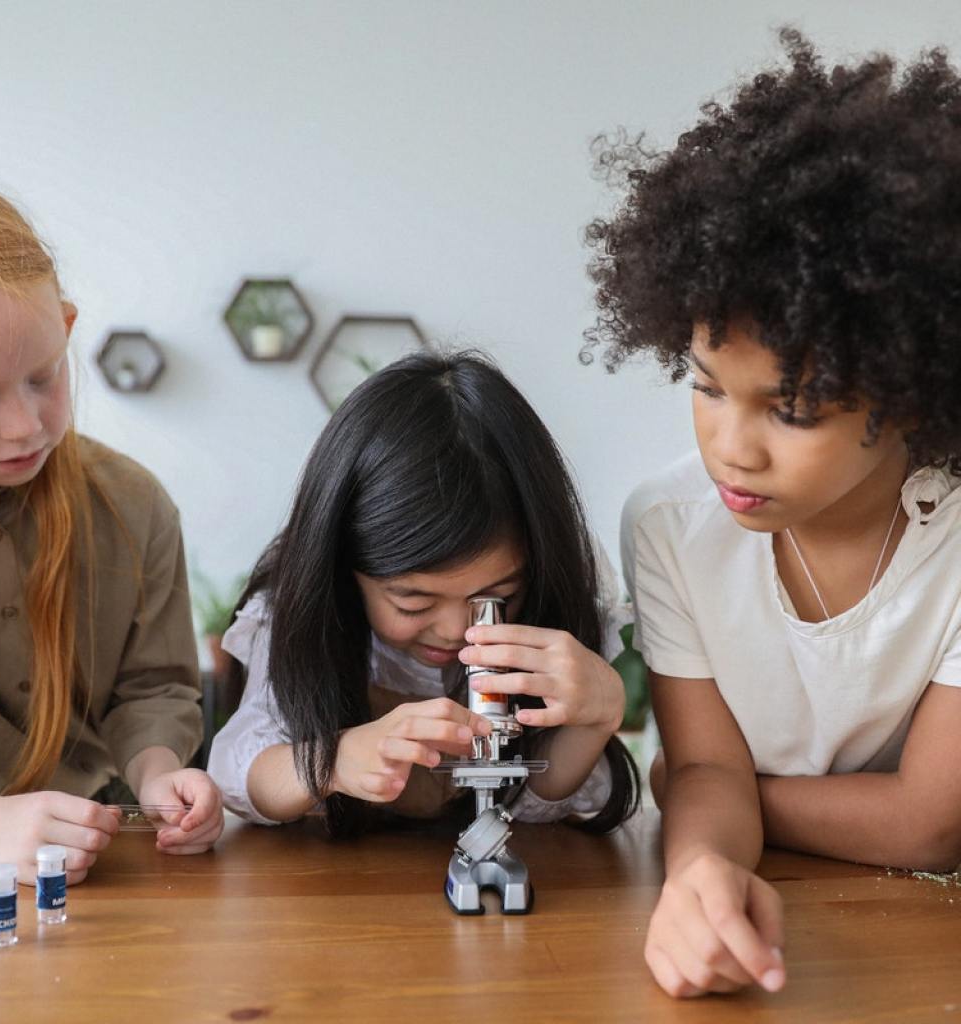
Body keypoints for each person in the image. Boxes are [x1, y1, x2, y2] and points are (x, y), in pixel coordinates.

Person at [587, 29, 961, 998]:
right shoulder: (671, 525)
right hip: (802, 924)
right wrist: (701, 870)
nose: (732, 447)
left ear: (909, 396)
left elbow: (929, 821)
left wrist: (706, 791)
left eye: (790, 411)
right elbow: (703, 770)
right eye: (706, 387)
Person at [208, 351, 640, 838]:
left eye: (496, 597)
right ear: (344, 573)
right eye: (413, 603)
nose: (457, 631)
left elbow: (535, 809)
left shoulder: (554, 606)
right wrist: (333, 760)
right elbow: (235, 777)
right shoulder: (295, 616)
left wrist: (596, 719)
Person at [0, 172, 224, 884]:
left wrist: (158, 772)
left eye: (44, 376)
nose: (24, 426)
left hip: (102, 857)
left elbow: (154, 690)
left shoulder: (133, 506)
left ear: (66, 328)